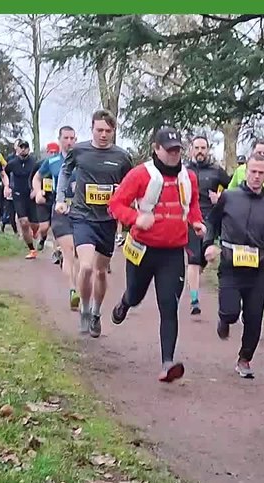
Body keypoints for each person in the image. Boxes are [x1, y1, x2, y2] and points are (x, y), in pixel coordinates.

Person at [106, 127, 203, 377]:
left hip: (172, 253)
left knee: (169, 306)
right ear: (156, 149)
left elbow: (190, 205)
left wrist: (197, 222)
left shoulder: (188, 177)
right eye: (168, 150)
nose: (173, 155)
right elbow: (115, 205)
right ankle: (126, 302)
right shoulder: (140, 175)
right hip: (142, 249)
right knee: (136, 295)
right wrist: (136, 218)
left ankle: (168, 363)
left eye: (177, 150)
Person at [202, 155, 264, 378]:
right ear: (245, 172)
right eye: (253, 172)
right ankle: (224, 318)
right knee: (230, 313)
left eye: (261, 173)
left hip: (258, 269)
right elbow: (212, 222)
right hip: (230, 265)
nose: (256, 177)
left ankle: (244, 359)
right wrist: (209, 244)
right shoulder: (229, 197)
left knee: (254, 318)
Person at [55, 110, 135, 338]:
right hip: (82, 217)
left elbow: (131, 183)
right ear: (92, 128)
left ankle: (96, 313)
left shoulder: (121, 156)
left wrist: (126, 198)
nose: (103, 134)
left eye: (108, 131)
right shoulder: (79, 150)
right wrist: (61, 198)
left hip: (107, 220)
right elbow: (65, 171)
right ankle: (84, 309)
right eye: (99, 130)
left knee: (100, 271)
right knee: (86, 266)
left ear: (113, 132)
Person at [184, 135, 232, 317]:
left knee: (206, 257)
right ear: (191, 150)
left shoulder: (216, 171)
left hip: (211, 219)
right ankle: (194, 300)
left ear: (208, 150)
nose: (200, 152)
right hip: (190, 220)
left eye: (203, 148)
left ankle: (194, 278)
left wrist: (220, 198)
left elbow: (232, 189)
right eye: (196, 148)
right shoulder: (183, 171)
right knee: (194, 259)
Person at [39, 128, 80, 309]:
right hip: (61, 210)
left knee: (82, 255)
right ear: (60, 139)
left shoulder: (83, 160)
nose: (69, 141)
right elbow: (37, 177)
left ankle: (82, 287)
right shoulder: (53, 161)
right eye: (66, 138)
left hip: (82, 211)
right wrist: (38, 190)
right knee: (69, 250)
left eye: (72, 138)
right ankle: (73, 290)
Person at [5, 139, 42, 259]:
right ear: (17, 149)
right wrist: (7, 187)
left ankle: (35, 231)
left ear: (29, 149)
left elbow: (41, 176)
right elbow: (3, 173)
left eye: (25, 147)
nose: (23, 149)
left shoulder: (34, 162)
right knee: (24, 222)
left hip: (31, 194)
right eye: (21, 147)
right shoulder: (12, 163)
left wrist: (36, 190)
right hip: (18, 194)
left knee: (35, 224)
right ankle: (32, 249)